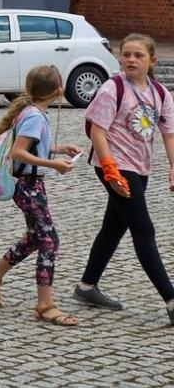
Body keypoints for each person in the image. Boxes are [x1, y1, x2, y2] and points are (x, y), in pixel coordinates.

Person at [73, 33, 174, 324]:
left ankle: (87, 286)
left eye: (138, 55)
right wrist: (110, 170)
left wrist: (172, 165)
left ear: (152, 60)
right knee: (143, 228)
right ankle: (170, 298)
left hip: (140, 167)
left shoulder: (160, 93)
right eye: (126, 54)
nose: (131, 59)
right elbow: (98, 132)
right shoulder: (111, 89)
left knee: (114, 227)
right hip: (115, 164)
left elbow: (168, 132)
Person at [0, 65, 81, 326]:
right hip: (28, 186)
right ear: (58, 91)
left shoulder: (33, 112)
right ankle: (45, 304)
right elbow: (19, 153)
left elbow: (33, 144)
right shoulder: (35, 115)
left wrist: (57, 149)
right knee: (49, 241)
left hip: (30, 184)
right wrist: (54, 164)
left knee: (36, 237)